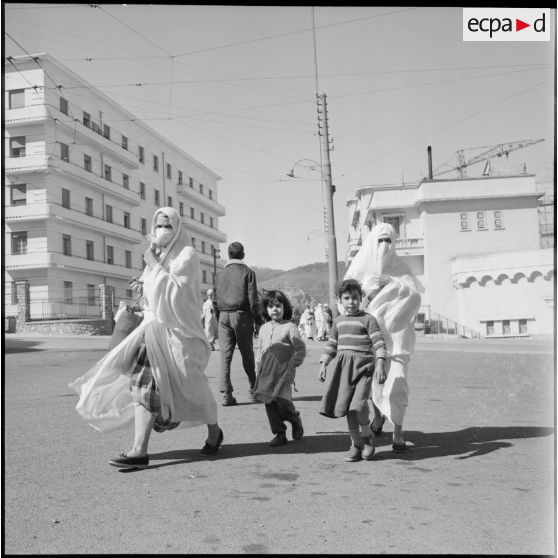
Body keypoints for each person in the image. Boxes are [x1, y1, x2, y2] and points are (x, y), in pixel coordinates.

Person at [68, 207, 223, 469]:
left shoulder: (187, 255)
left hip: (179, 334)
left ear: (177, 228)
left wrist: (152, 264)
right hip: (151, 333)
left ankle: (214, 430)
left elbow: (180, 295)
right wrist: (144, 286)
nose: (162, 231)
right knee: (145, 384)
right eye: (158, 225)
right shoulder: (157, 255)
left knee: (192, 388)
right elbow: (154, 294)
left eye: (167, 226)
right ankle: (139, 450)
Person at [344, 222, 423, 453]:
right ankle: (378, 419)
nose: (385, 246)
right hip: (370, 341)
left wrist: (392, 285)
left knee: (398, 385)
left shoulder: (401, 270)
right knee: (375, 387)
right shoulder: (359, 271)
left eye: (389, 240)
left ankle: (398, 431)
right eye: (381, 240)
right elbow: (347, 302)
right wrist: (369, 293)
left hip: (397, 342)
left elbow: (415, 296)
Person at [318, 279, 387, 462]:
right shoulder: (338, 321)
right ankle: (355, 444)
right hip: (343, 370)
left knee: (359, 405)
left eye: (355, 298)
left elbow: (379, 343)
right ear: (340, 300)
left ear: (361, 298)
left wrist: (380, 364)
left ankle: (367, 437)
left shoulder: (368, 319)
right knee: (348, 408)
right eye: (346, 298)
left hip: (364, 368)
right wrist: (324, 363)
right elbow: (332, 345)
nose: (351, 302)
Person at [253, 290, 306, 447]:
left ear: (284, 307)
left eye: (278, 306)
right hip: (266, 373)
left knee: (283, 404)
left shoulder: (291, 327)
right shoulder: (263, 328)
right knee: (269, 404)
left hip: (284, 373)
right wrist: (257, 368)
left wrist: (293, 364)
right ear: (266, 309)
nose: (274, 309)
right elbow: (260, 349)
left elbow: (300, 349)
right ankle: (280, 433)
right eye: (271, 306)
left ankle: (294, 418)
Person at [214, 241, 260, 406]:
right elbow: (253, 300)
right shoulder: (248, 272)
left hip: (223, 316)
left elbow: (214, 298)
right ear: (243, 255)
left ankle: (226, 394)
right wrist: (258, 320)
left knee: (225, 357)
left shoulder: (219, 274)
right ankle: (254, 390)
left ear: (229, 255)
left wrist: (219, 317)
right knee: (247, 354)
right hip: (241, 315)